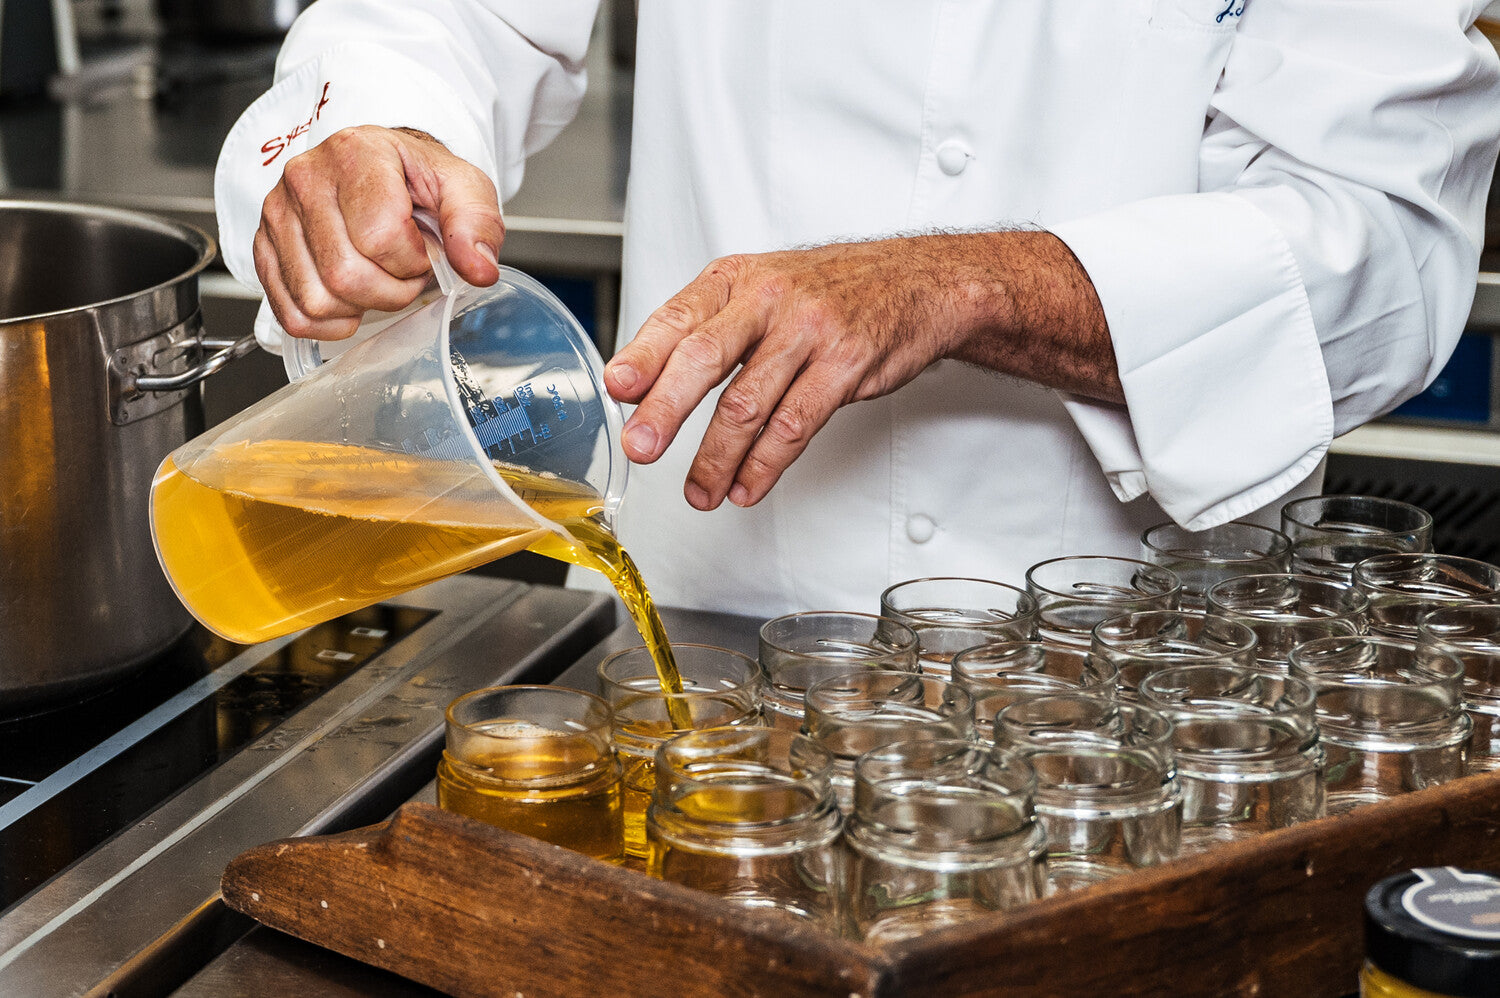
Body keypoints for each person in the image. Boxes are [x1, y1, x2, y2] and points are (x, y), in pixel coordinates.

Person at [214, 2, 1500, 618]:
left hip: (1148, 675)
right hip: (714, 625)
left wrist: (970, 283)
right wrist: (373, 123)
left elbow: (1383, 243)